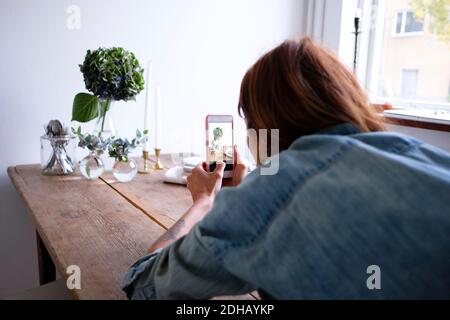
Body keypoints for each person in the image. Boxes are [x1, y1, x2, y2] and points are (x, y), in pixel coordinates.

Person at [122, 37, 450, 299]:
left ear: (262, 129)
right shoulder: (419, 153)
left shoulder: (277, 187)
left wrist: (205, 203)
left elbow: (144, 284)